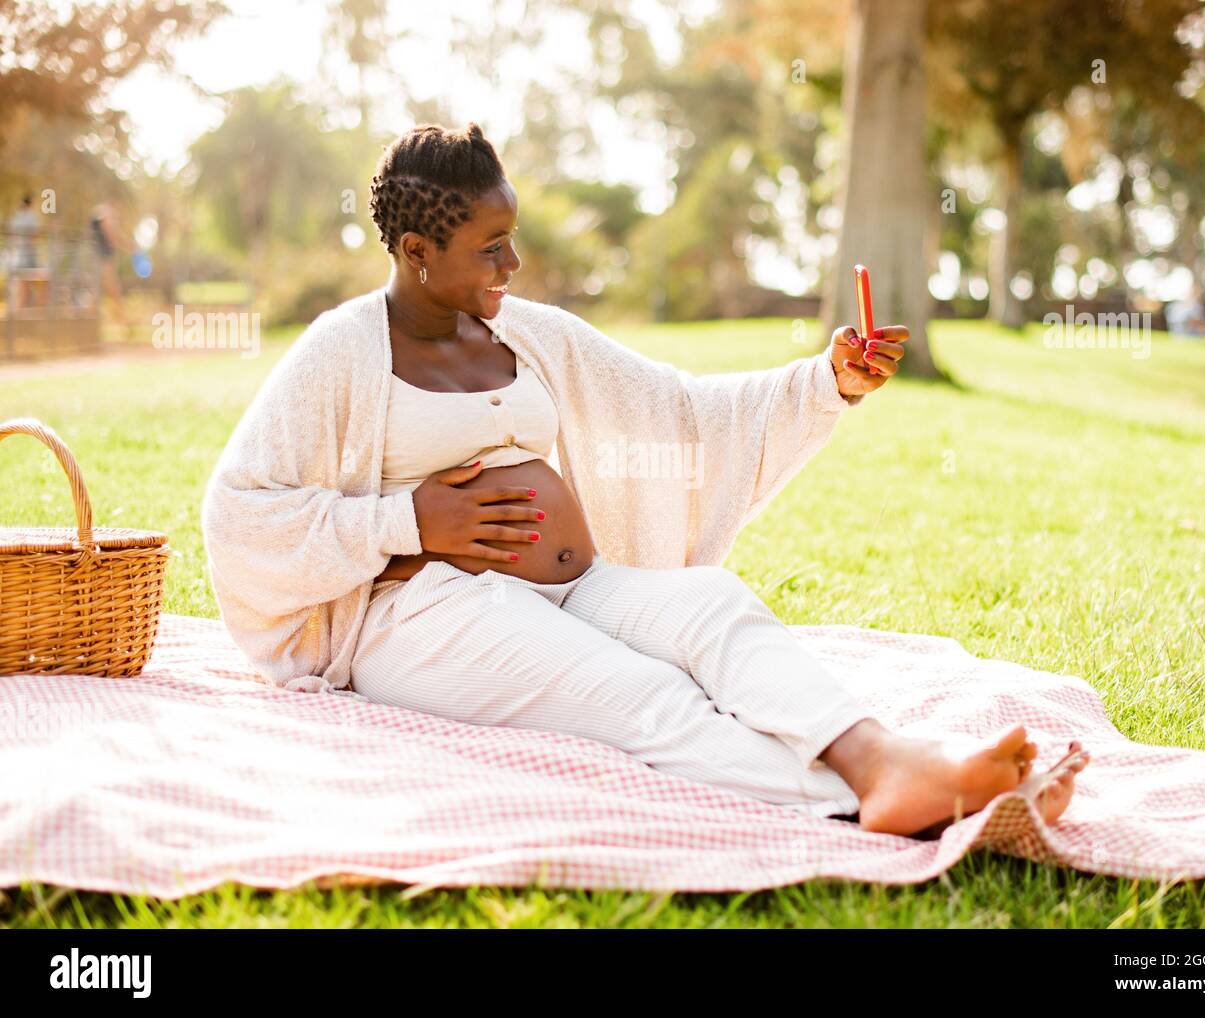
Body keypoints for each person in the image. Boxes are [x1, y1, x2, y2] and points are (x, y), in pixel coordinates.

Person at [201, 123, 1088, 838]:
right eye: (492, 248)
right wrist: (406, 520)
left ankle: (884, 759)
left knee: (713, 607)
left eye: (515, 242)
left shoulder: (526, 333)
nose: (513, 267)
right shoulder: (340, 352)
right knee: (646, 697)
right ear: (418, 249)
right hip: (422, 618)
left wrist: (828, 383)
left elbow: (678, 409)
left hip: (575, 588)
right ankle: (862, 799)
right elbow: (240, 516)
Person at [89, 198, 127, 327]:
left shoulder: (99, 211)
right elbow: (110, 231)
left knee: (105, 289)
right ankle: (121, 320)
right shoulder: (105, 211)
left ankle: (120, 318)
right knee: (111, 288)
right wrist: (124, 245)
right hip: (102, 256)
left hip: (101, 255)